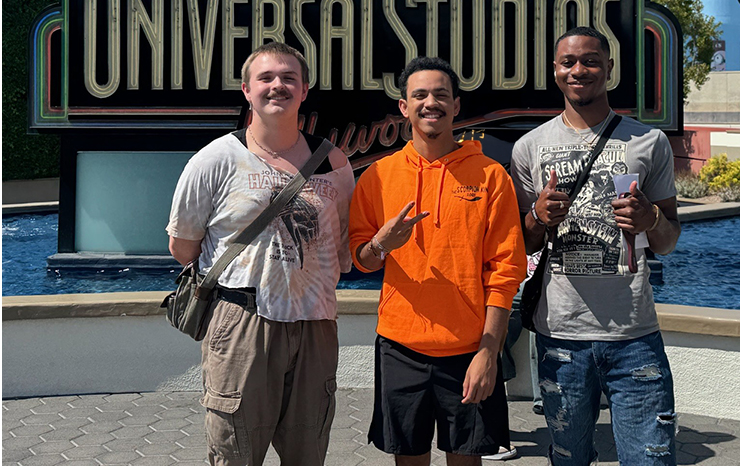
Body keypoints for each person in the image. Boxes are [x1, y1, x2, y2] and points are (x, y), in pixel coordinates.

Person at [166, 42, 354, 466]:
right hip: (242, 323)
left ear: (305, 89)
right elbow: (183, 246)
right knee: (236, 452)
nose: (277, 86)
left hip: (315, 324)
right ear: (246, 90)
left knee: (308, 452)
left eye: (289, 78)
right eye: (266, 78)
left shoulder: (334, 163)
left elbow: (341, 247)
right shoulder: (216, 159)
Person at [509, 26, 681, 466]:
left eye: (589, 61)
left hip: (634, 335)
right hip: (560, 334)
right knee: (568, 459)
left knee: (651, 460)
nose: (578, 70)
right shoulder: (529, 147)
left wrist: (651, 218)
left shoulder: (649, 142)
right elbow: (523, 242)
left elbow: (668, 241)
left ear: (609, 68)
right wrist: (537, 217)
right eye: (568, 62)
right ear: (554, 70)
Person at [349, 56, 527, 466]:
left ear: (456, 105)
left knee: (465, 459)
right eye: (420, 95)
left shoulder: (489, 176)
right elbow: (361, 260)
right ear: (403, 106)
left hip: (469, 349)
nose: (431, 103)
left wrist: (489, 351)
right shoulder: (378, 176)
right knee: (408, 458)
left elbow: (505, 271)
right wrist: (381, 243)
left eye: (441, 95)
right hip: (400, 347)